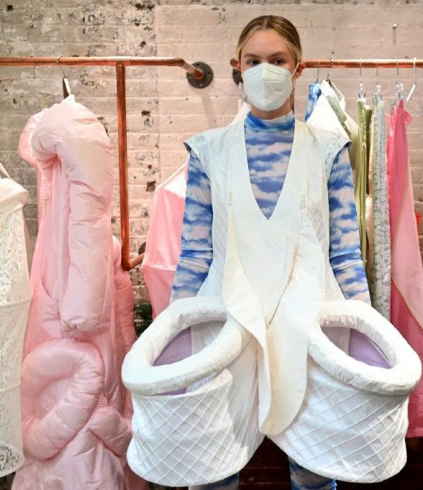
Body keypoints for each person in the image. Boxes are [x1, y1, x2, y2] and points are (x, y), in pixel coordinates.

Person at [168, 14, 371, 490]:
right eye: (254, 61)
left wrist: (364, 326)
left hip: (310, 318)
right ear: (236, 66)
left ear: (298, 67)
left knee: (315, 465)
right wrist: (172, 330)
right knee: (213, 464)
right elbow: (195, 252)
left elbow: (344, 252)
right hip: (224, 318)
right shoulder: (208, 152)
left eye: (277, 60)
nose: (266, 71)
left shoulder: (329, 151)